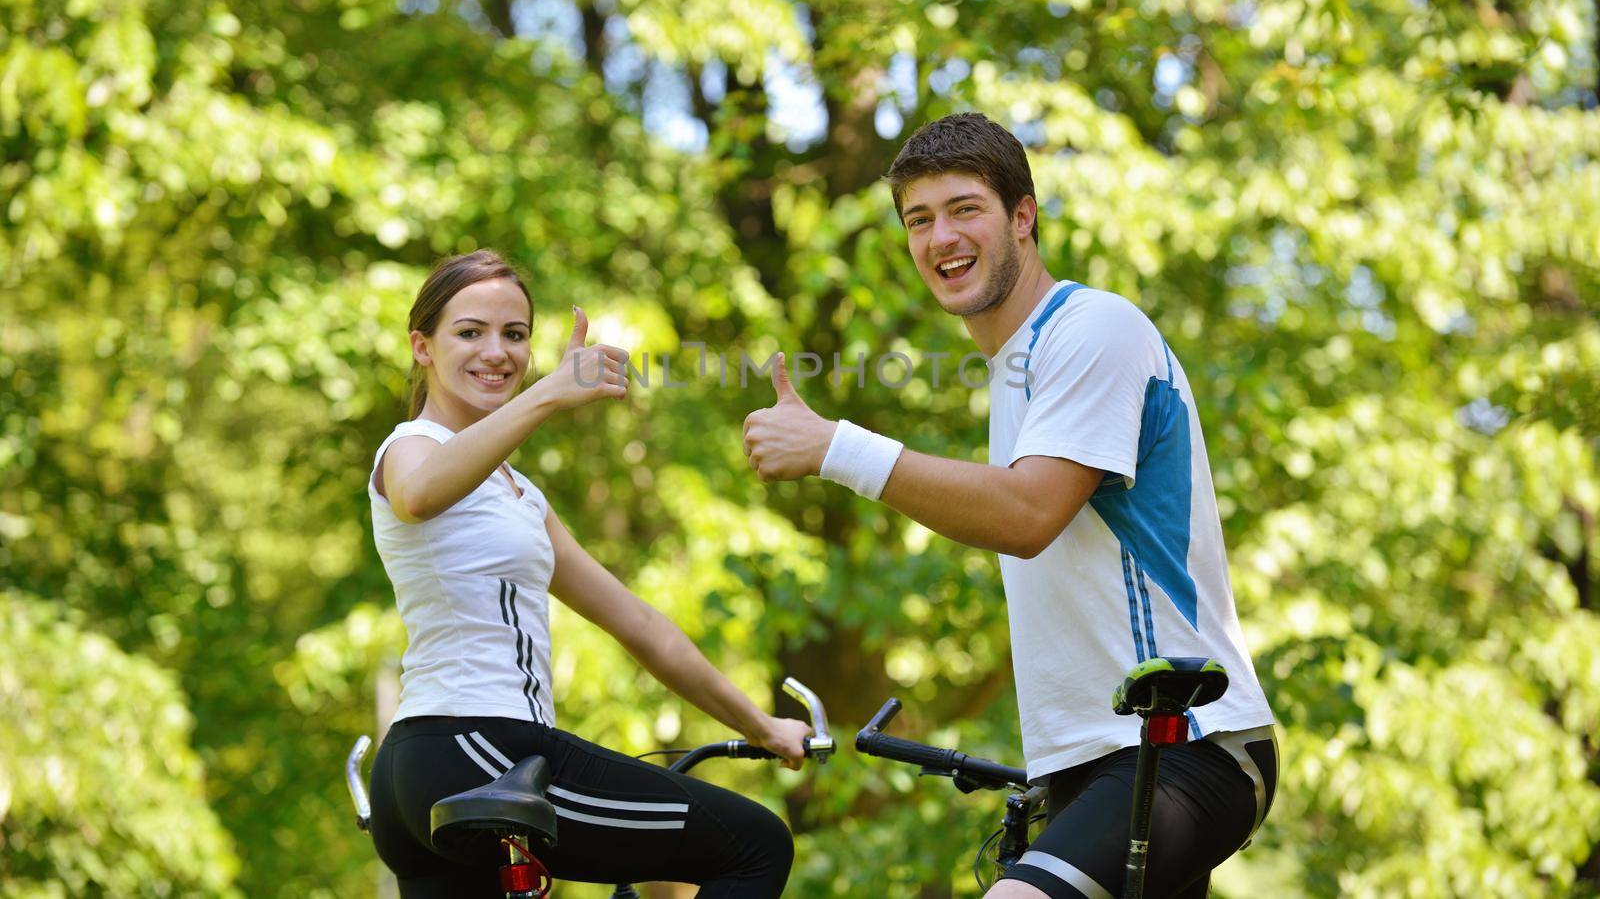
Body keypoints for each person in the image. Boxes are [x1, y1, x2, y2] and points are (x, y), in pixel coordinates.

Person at [742, 113, 1277, 899]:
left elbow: (1028, 515)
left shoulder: (1093, 329)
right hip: (1089, 761)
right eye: (918, 219)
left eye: (965, 209)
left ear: (1022, 216)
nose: (940, 237)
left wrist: (834, 448)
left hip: (1185, 737)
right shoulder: (1014, 373)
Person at [367, 249, 809, 898]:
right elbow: (417, 494)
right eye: (470, 332)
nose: (497, 351)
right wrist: (549, 393)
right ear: (422, 346)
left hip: (433, 767)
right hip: (479, 748)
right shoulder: (412, 446)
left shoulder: (521, 498)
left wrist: (762, 726)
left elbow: (639, 625)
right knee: (754, 845)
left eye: (514, 334)